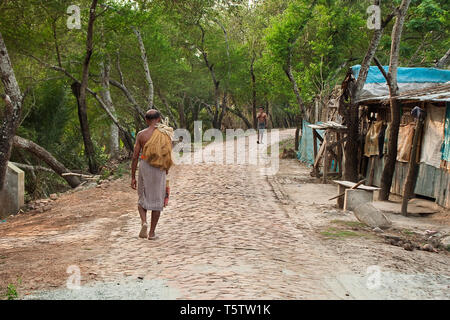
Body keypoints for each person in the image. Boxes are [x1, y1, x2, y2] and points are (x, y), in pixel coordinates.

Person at [131, 109, 168, 240]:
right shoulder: (165, 133)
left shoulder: (141, 135)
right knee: (158, 199)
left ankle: (144, 222)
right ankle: (151, 233)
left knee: (142, 196)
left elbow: (135, 156)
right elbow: (168, 154)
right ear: (159, 119)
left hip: (145, 165)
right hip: (159, 167)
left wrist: (132, 176)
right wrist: (166, 170)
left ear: (146, 120)